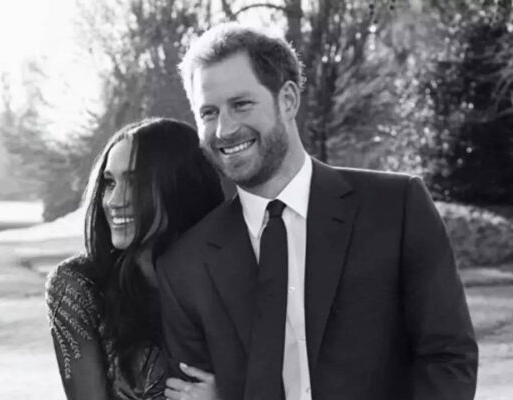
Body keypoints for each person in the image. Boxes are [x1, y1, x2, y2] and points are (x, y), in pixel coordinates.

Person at [157, 23, 478, 400]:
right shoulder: (185, 267)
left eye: (241, 104)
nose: (224, 129)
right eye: (208, 113)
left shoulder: (396, 207)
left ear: (288, 99)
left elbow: (447, 359)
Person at [45, 118, 225, 400]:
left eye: (135, 182)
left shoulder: (233, 274)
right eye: (109, 183)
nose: (114, 201)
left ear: (180, 187)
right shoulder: (79, 286)